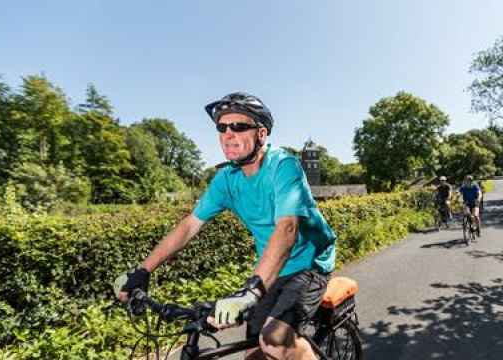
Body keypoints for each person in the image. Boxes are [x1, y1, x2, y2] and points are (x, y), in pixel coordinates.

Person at [113, 92, 336, 360]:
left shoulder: (283, 165)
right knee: (253, 354)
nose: (228, 133)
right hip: (270, 269)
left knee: (275, 341)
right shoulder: (226, 179)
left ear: (261, 134)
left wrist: (251, 292)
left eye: (238, 126)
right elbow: (189, 225)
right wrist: (142, 271)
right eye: (222, 127)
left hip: (309, 264)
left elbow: (287, 230)